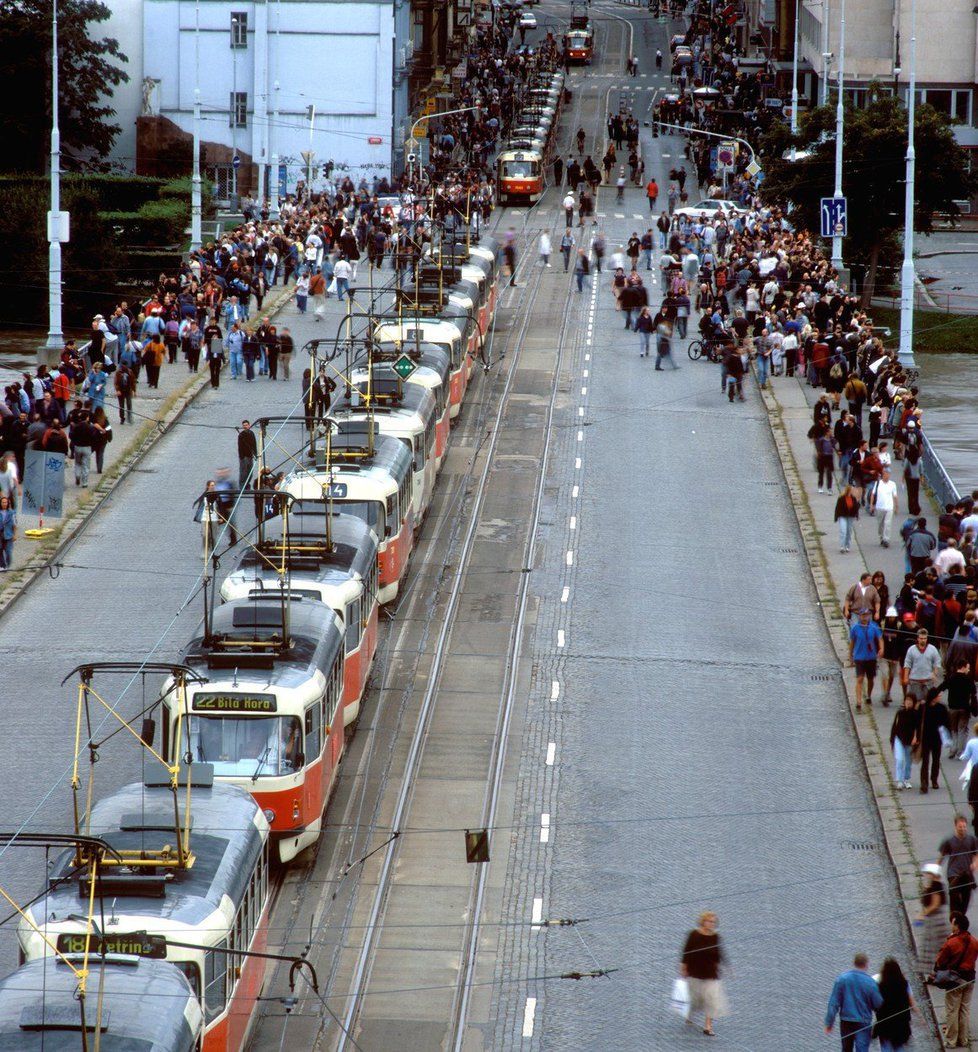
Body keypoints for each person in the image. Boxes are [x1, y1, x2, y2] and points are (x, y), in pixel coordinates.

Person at [933, 912, 978, 1048]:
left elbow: (940, 961)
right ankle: (963, 1040)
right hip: (970, 979)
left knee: (952, 1010)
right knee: (964, 1010)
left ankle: (952, 1041)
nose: (951, 925)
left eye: (952, 923)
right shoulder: (974, 941)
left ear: (957, 926)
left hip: (955, 981)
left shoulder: (951, 943)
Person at [679, 911, 726, 1037]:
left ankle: (708, 1026)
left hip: (711, 973)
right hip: (695, 971)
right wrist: (684, 967)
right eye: (709, 921)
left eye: (713, 922)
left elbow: (719, 953)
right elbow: (686, 951)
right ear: (703, 921)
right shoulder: (693, 934)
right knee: (695, 998)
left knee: (711, 999)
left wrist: (722, 966)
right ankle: (690, 1012)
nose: (711, 924)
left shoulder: (716, 936)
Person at [824, 952, 882, 1052]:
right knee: (862, 1049)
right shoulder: (871, 982)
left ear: (854, 963)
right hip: (864, 1021)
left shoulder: (842, 979)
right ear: (866, 964)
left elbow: (833, 1003)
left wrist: (829, 1022)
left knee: (846, 1049)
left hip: (846, 1021)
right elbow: (877, 1004)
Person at [873, 957, 918, 1052]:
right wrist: (920, 1016)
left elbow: (876, 1004)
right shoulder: (904, 984)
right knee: (899, 1048)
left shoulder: (880, 986)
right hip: (901, 1023)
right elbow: (911, 1002)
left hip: (885, 1024)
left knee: (886, 1048)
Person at [939, 815, 978, 915]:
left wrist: (974, 863)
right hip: (953, 873)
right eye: (960, 827)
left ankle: (960, 917)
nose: (962, 829)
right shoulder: (949, 841)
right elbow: (942, 856)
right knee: (954, 894)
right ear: (955, 826)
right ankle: (954, 916)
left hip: (967, 874)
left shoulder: (972, 840)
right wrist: (936, 870)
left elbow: (976, 854)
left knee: (966, 898)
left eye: (964, 827)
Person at [918, 862, 951, 974]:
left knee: (934, 945)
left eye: (928, 873)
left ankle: (936, 972)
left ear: (933, 874)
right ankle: (934, 972)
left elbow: (935, 904)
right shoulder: (935, 884)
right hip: (936, 918)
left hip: (936, 920)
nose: (926, 875)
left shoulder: (936, 886)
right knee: (934, 945)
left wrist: (923, 913)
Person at [849, 608, 883, 711]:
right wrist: (850, 654)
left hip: (871, 657)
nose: (865, 617)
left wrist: (881, 649)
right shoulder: (855, 628)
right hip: (859, 657)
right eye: (863, 615)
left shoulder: (874, 627)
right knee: (859, 679)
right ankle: (859, 702)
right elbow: (852, 642)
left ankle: (868, 695)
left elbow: (880, 639)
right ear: (860, 616)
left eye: (867, 615)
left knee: (870, 679)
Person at [918, 685, 949, 793]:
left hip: (937, 738)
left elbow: (947, 723)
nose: (940, 697)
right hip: (925, 738)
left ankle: (934, 779)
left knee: (936, 760)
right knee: (925, 761)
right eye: (938, 695)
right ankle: (924, 782)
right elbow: (918, 723)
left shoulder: (942, 708)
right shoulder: (923, 707)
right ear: (934, 697)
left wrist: (947, 734)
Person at [903, 629, 942, 702]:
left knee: (928, 701)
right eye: (921, 638)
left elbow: (937, 662)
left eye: (925, 638)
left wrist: (934, 673)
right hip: (915, 680)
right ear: (918, 638)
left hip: (928, 681)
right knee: (916, 702)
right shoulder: (911, 649)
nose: (923, 640)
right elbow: (907, 664)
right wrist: (905, 677)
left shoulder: (932, 649)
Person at [890, 695, 917, 789]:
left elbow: (917, 728)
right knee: (900, 759)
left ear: (914, 703)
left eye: (910, 701)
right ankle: (899, 780)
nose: (908, 702)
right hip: (899, 738)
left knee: (908, 761)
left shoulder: (915, 714)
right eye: (907, 700)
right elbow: (895, 726)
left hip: (909, 740)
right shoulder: (900, 713)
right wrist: (892, 739)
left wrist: (915, 738)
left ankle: (906, 779)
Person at [872, 468, 899, 547]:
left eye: (888, 475)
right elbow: (873, 494)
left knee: (887, 524)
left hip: (889, 507)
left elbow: (895, 496)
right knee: (880, 524)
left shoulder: (892, 484)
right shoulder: (878, 483)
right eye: (885, 474)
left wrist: (896, 506)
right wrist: (871, 505)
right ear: (882, 475)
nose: (886, 476)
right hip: (879, 507)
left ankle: (886, 539)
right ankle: (881, 537)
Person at [834, 485, 860, 554]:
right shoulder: (841, 498)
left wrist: (857, 515)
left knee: (849, 531)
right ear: (848, 490)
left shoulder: (853, 498)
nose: (853, 491)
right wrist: (836, 517)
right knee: (843, 531)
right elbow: (837, 508)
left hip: (850, 517)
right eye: (852, 490)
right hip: (843, 516)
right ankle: (842, 546)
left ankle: (847, 546)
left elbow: (856, 508)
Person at [238, 420, 258, 490]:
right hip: (244, 457)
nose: (245, 426)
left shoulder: (252, 433)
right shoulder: (241, 435)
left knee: (250, 472)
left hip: (250, 456)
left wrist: (255, 454)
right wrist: (242, 457)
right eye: (244, 425)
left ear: (249, 425)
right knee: (243, 472)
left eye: (246, 425)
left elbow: (254, 444)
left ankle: (247, 484)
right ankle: (242, 487)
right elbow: (240, 447)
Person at [0, 494, 16, 571]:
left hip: (8, 534)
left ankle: (8, 564)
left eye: (6, 502)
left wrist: (15, 535)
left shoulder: (11, 513)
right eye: (3, 502)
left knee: (8, 551)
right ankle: (3, 566)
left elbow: (14, 525)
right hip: (0, 534)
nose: (4, 504)